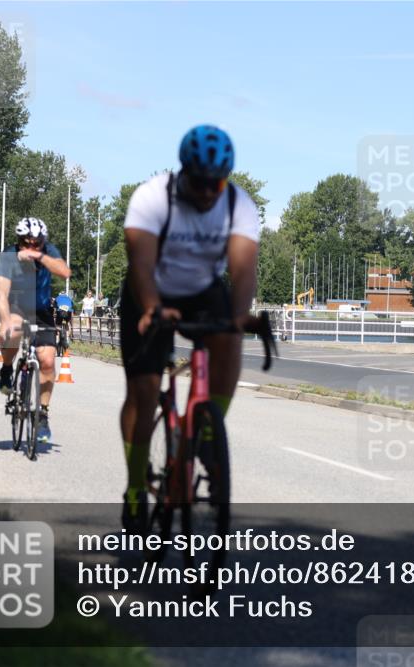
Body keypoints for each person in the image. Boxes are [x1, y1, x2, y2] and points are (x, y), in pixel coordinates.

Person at [118, 124, 260, 531]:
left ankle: (210, 432)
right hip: (151, 290)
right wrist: (152, 308)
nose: (205, 193)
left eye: (214, 184)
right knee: (143, 392)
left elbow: (243, 270)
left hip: (201, 289)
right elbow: (141, 265)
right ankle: (133, 488)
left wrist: (238, 314)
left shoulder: (238, 205)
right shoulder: (152, 198)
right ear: (183, 173)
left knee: (230, 337)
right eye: (198, 183)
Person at [0, 218, 71, 442]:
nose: (31, 247)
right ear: (19, 241)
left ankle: (42, 415)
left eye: (36, 243)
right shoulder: (9, 256)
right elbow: (1, 294)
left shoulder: (47, 251)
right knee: (12, 331)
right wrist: (6, 321)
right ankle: (7, 370)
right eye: (26, 243)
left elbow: (65, 272)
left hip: (41, 309)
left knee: (47, 361)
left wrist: (40, 256)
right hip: (16, 305)